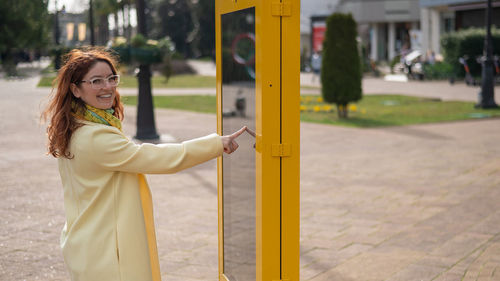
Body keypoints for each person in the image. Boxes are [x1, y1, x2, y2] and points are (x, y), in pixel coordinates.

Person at [42, 47, 246, 281]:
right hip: (108, 252)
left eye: (111, 78)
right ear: (75, 89)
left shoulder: (78, 125)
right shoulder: (95, 138)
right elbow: (160, 158)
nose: (107, 87)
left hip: (90, 244)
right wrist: (216, 144)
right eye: (96, 81)